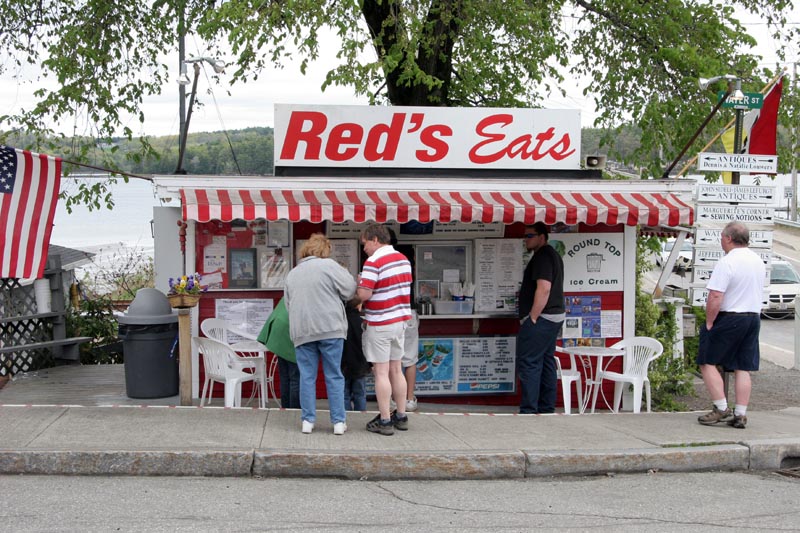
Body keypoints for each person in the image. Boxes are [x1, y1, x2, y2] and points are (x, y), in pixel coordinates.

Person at [284, 233, 356, 435]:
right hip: (330, 327)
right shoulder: (330, 266)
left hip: (303, 330)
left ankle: (308, 421)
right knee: (334, 374)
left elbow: (288, 304)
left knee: (307, 376)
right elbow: (350, 290)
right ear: (325, 250)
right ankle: (338, 423)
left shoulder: (293, 273)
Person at [697, 221, 765, 429]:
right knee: (742, 366)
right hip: (752, 317)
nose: (721, 241)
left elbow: (716, 295)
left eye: (721, 238)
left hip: (730, 316)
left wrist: (710, 321)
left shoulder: (727, 262)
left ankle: (721, 407)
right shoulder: (757, 261)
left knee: (706, 361)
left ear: (728, 238)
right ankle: (741, 413)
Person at [357, 223, 413, 435]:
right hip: (400, 321)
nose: (364, 249)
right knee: (397, 370)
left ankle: (385, 420)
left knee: (381, 372)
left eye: (365, 244)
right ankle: (401, 415)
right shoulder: (403, 259)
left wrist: (358, 287)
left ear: (375, 240)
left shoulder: (374, 261)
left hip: (380, 322)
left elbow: (365, 295)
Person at [516, 221, 565, 414]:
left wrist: (533, 317)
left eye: (529, 236)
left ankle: (528, 410)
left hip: (542, 318)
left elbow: (544, 288)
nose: (525, 240)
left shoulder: (543, 257)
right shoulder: (553, 255)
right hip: (553, 317)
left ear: (542, 237)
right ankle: (546, 408)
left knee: (529, 363)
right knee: (546, 362)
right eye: (525, 236)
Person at [257, 299, 299, 409]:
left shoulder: (291, 288)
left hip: (279, 330)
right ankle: (294, 410)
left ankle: (285, 409)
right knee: (295, 378)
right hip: (290, 332)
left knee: (285, 377)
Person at [342, 299, 371, 411]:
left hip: (343, 363)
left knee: (344, 394)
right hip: (360, 364)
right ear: (358, 306)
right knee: (360, 394)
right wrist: (370, 363)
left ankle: (346, 416)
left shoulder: (341, 322)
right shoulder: (362, 323)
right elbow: (367, 345)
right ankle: (361, 415)